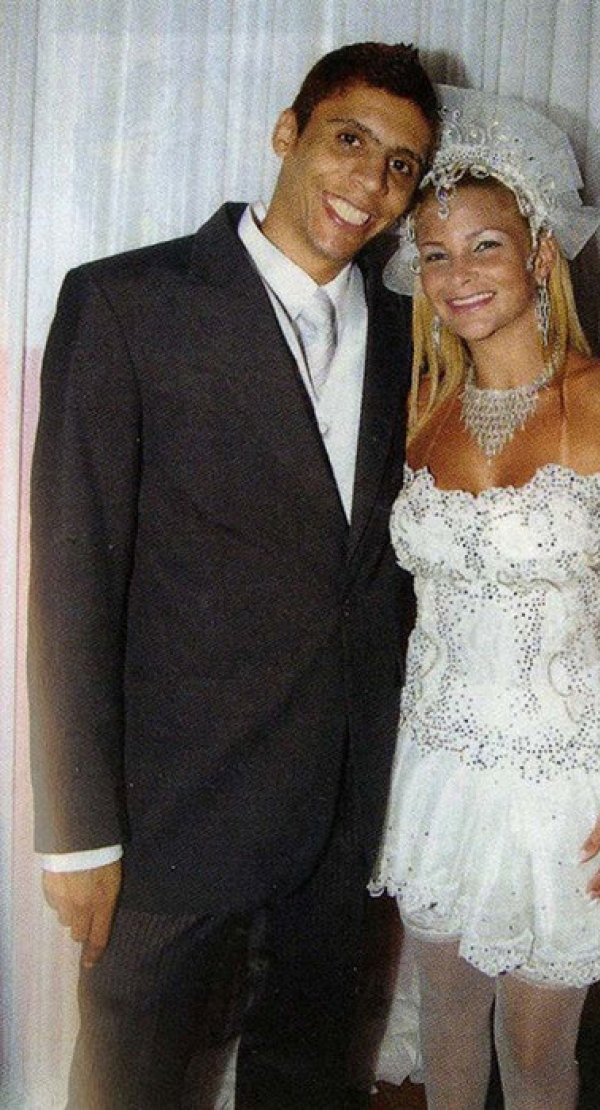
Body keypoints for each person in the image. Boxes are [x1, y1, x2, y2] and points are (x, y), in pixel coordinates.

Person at [28, 41, 439, 1110]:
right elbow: (69, 583)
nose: (370, 182)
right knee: (129, 1085)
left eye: (400, 165)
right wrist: (78, 831)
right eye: (348, 140)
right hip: (171, 817)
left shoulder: (415, 331)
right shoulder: (127, 303)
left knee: (307, 1078)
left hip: (343, 806)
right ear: (286, 132)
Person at [370, 86, 600, 1110]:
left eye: (484, 246)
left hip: (567, 780)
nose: (458, 276)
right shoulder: (418, 410)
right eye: (435, 254)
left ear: (539, 252)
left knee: (537, 1060)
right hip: (436, 765)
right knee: (446, 1036)